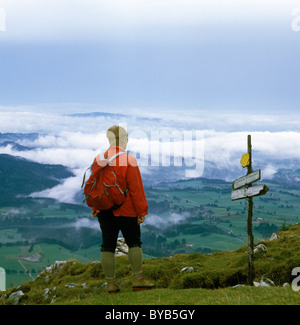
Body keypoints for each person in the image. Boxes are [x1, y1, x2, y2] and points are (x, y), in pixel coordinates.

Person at [92, 125, 154, 294]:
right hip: (127, 210)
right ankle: (138, 280)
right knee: (134, 242)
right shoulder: (129, 160)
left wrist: (94, 206)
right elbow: (136, 189)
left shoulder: (99, 158)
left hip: (104, 210)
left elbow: (94, 186)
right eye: (126, 138)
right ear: (124, 139)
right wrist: (142, 211)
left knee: (107, 245)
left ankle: (111, 284)